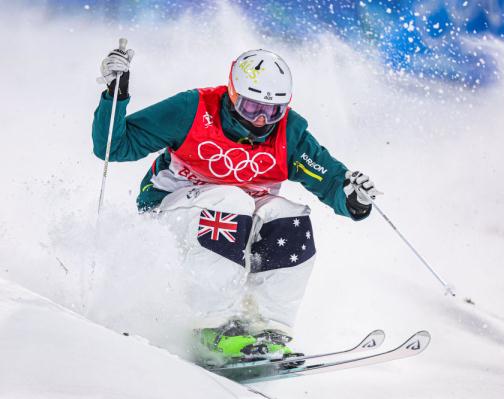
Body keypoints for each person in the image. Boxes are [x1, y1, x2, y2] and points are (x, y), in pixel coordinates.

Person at [93, 45, 378, 362]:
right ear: (231, 92)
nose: (260, 119)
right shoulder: (192, 109)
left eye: (272, 111)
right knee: (231, 200)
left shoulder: (289, 133)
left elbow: (331, 180)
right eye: (251, 106)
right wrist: (115, 95)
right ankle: (212, 324)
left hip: (232, 221)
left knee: (288, 216)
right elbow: (114, 146)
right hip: (168, 216)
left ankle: (266, 327)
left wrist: (354, 198)